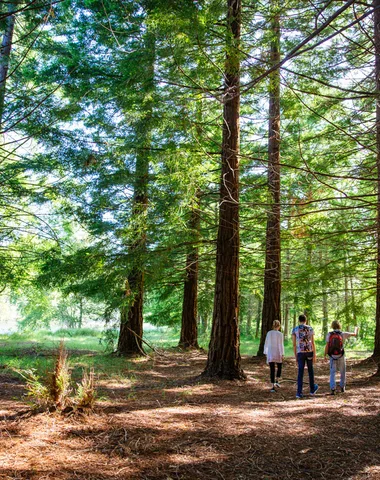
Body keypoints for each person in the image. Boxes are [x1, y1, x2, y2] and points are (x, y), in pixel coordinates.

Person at [324, 321, 358, 395]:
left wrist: (325, 355)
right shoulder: (343, 334)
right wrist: (356, 329)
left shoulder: (329, 334)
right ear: (339, 326)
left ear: (332, 326)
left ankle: (333, 388)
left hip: (332, 355)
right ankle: (342, 387)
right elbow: (355, 334)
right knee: (343, 371)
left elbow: (327, 346)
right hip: (341, 355)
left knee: (332, 372)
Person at [292, 314, 318, 398]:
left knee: (300, 372)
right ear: (305, 320)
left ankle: (299, 393)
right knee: (310, 370)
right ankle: (312, 390)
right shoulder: (310, 328)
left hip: (300, 352)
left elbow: (294, 345)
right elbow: (313, 342)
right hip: (309, 351)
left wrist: (296, 356)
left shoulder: (295, 329)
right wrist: (314, 354)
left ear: (299, 320)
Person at [264, 320, 284, 392]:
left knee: (272, 369)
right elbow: (281, 345)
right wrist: (282, 353)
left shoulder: (269, 333)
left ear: (273, 325)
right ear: (279, 326)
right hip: (278, 352)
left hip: (271, 352)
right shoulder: (280, 334)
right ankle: (277, 381)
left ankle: (273, 386)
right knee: (279, 367)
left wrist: (266, 353)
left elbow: (266, 343)